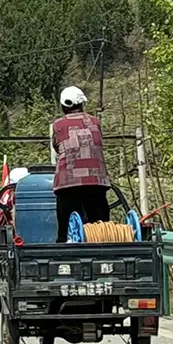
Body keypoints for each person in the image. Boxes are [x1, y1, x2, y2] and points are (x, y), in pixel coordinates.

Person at [51, 86, 111, 242]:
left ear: (63, 106)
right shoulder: (95, 122)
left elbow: (57, 147)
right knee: (100, 226)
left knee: (65, 223)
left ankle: (64, 243)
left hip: (68, 182)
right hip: (96, 181)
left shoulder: (58, 125)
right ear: (82, 104)